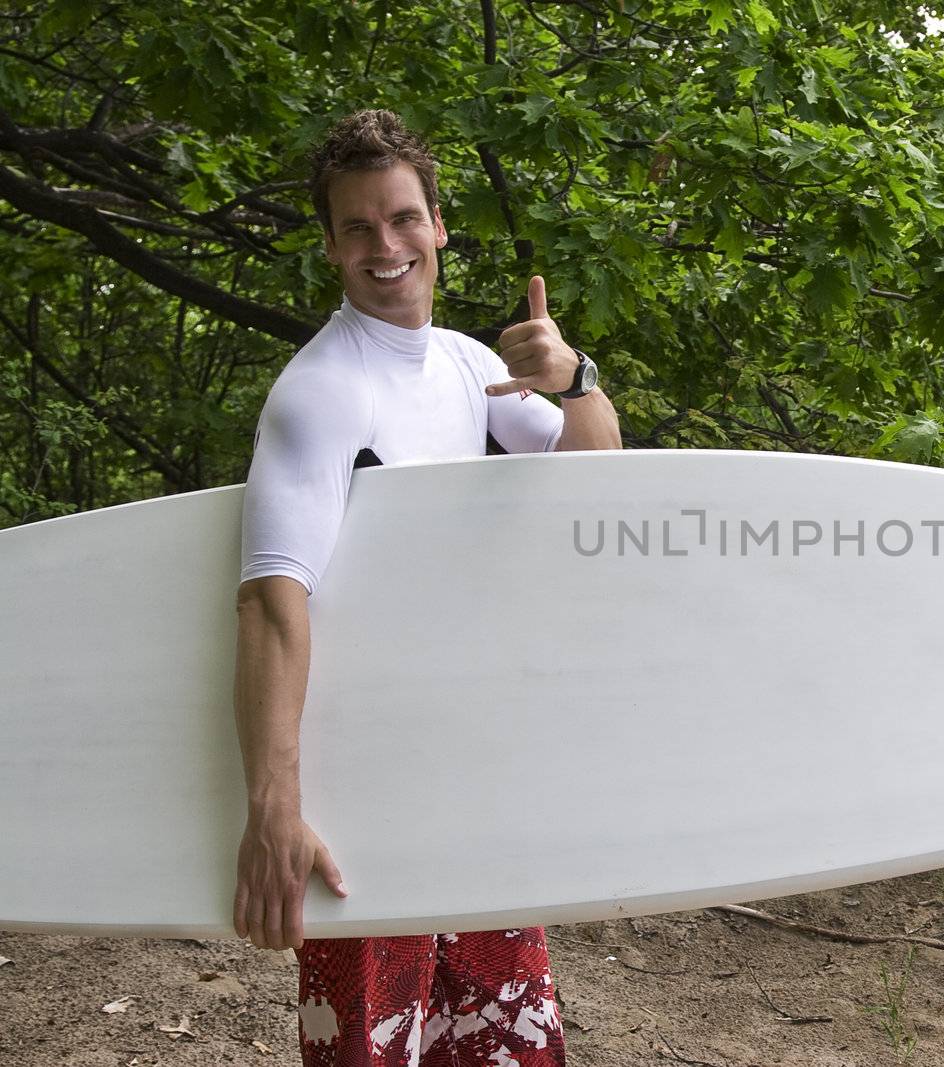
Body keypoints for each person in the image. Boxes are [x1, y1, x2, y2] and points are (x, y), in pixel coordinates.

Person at [232, 109, 620, 1067]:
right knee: (371, 1053)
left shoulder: (468, 365)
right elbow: (273, 598)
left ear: (440, 224)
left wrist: (576, 378)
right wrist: (274, 807)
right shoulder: (323, 390)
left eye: (402, 219)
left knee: (509, 1047)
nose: (385, 246)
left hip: (468, 771)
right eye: (358, 227)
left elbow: (594, 474)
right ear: (330, 246)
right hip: (362, 785)